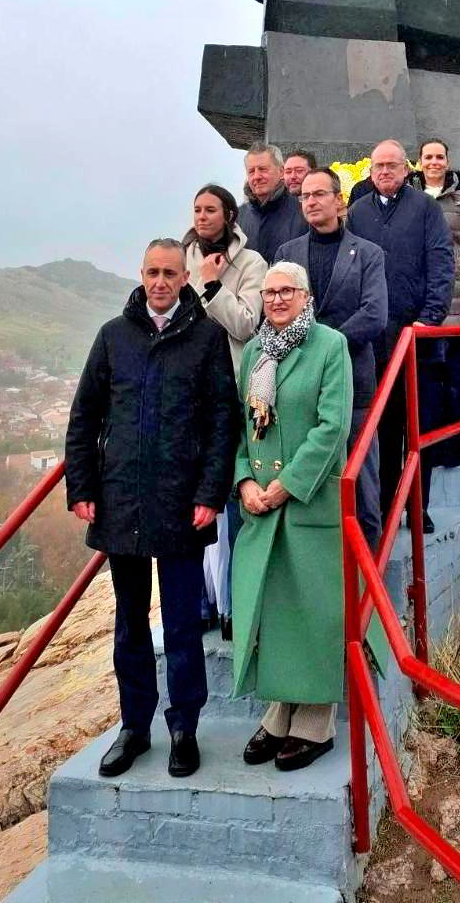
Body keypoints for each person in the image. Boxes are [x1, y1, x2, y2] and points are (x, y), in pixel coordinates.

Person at [65, 239, 238, 780]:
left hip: (182, 506)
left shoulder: (206, 338)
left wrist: (211, 494)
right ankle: (134, 727)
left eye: (170, 273)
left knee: (184, 624)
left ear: (185, 277)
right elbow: (85, 416)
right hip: (121, 503)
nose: (160, 282)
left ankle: (184, 727)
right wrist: (82, 487)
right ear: (140, 275)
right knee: (129, 625)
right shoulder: (113, 337)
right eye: (152, 272)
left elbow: (221, 423)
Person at [231, 262, 352, 771]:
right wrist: (245, 482)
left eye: (287, 291)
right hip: (263, 503)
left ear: (305, 296)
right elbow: (243, 428)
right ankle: (281, 708)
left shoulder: (329, 346)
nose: (277, 299)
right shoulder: (255, 352)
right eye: (269, 292)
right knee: (276, 613)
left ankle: (315, 718)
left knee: (313, 609)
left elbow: (333, 426)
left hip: (308, 501)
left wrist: (286, 486)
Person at [276, 166, 388, 549]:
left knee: (362, 489)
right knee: (309, 488)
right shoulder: (286, 254)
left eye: (319, 194)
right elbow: (277, 315)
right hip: (299, 389)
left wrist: (326, 345)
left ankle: (366, 581)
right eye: (305, 195)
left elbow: (375, 314)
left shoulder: (369, 254)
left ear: (339, 200)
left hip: (354, 387)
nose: (311, 201)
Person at [345, 139, 454, 529]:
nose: (385, 172)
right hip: (376, 343)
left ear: (407, 169)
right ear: (370, 172)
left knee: (419, 425)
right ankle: (390, 504)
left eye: (392, 165)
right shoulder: (357, 213)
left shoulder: (425, 208)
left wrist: (431, 317)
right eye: (379, 166)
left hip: (417, 337)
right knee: (386, 430)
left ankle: (417, 504)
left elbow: (442, 263)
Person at [182, 184, 267, 637]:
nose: (202, 216)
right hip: (189, 393)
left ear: (229, 214)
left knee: (233, 498)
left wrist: (214, 286)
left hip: (232, 390)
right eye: (196, 209)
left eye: (210, 209)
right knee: (193, 499)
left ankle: (236, 605)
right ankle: (199, 603)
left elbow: (249, 325)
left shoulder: (252, 265)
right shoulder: (182, 260)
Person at [410, 140, 460, 467]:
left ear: (447, 161)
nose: (434, 162)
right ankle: (425, 448)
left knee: (455, 381)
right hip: (421, 305)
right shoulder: (409, 199)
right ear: (418, 162)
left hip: (456, 305)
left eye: (439, 156)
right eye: (428, 157)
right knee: (424, 384)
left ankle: (454, 447)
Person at [238, 142, 307, 263]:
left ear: (281, 172)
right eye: (251, 171)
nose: (257, 177)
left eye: (263, 169)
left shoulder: (303, 213)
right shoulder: (238, 217)